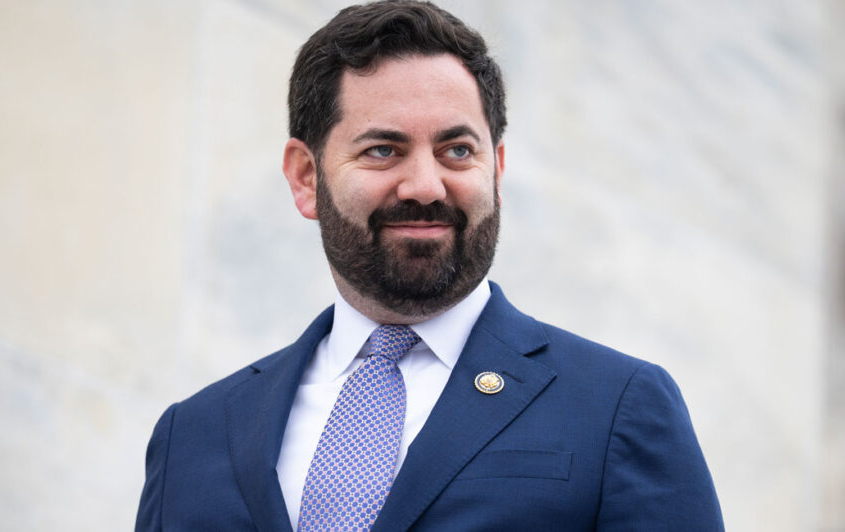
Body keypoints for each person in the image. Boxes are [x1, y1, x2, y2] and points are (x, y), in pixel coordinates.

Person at [135, 1, 724, 530]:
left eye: (457, 151)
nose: (424, 184)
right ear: (307, 177)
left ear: (496, 168)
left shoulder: (617, 405)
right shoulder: (192, 435)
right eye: (383, 150)